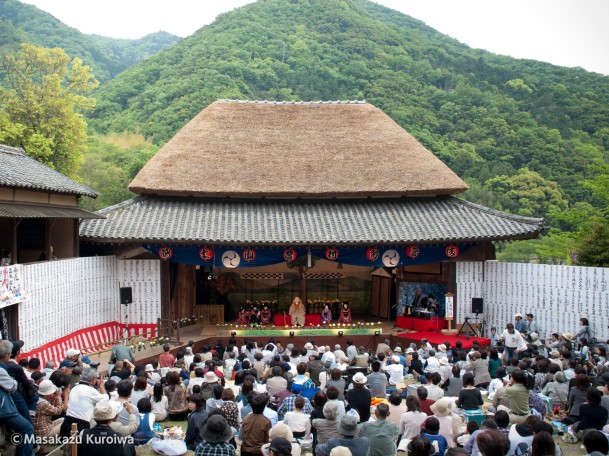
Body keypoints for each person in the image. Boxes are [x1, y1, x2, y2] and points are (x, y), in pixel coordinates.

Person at [60, 367, 107, 437]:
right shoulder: (91, 391)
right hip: (81, 426)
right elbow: (106, 399)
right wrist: (101, 386)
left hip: (66, 423)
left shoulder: (74, 388)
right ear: (94, 379)